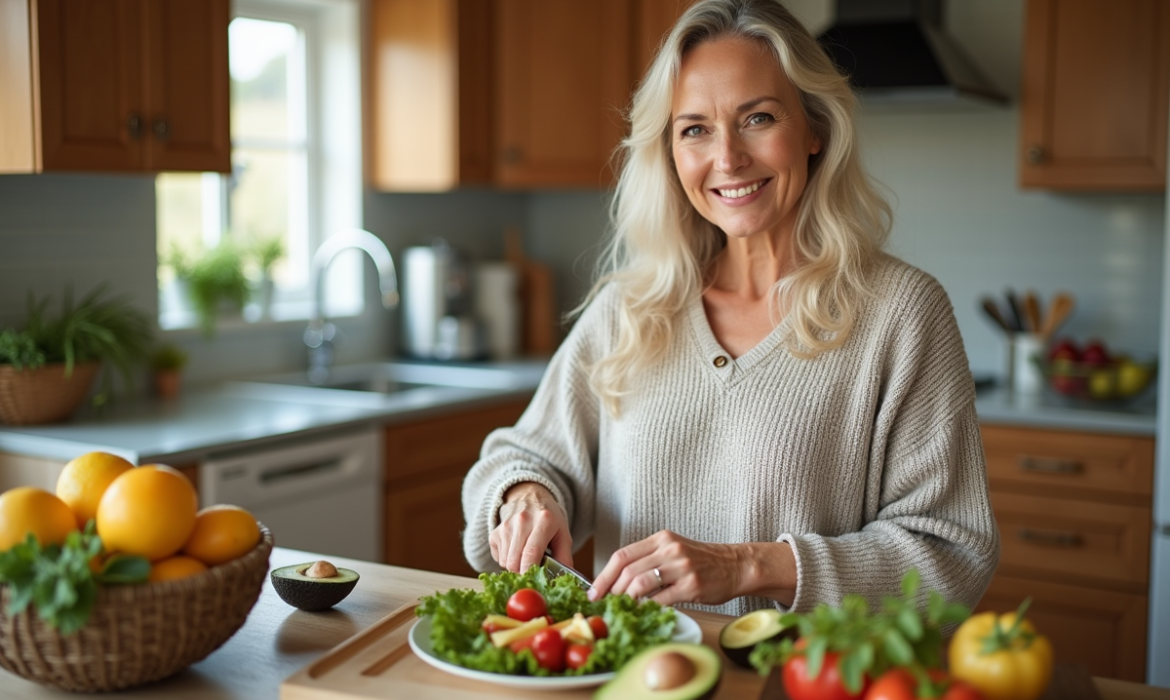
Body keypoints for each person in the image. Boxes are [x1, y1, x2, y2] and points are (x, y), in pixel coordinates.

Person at [461, 0, 999, 617]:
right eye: (695, 128)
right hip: (638, 678)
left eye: (758, 118)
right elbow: (522, 456)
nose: (727, 158)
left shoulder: (902, 314)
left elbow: (953, 555)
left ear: (814, 128)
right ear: (670, 151)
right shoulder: (630, 309)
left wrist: (748, 566)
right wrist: (526, 496)